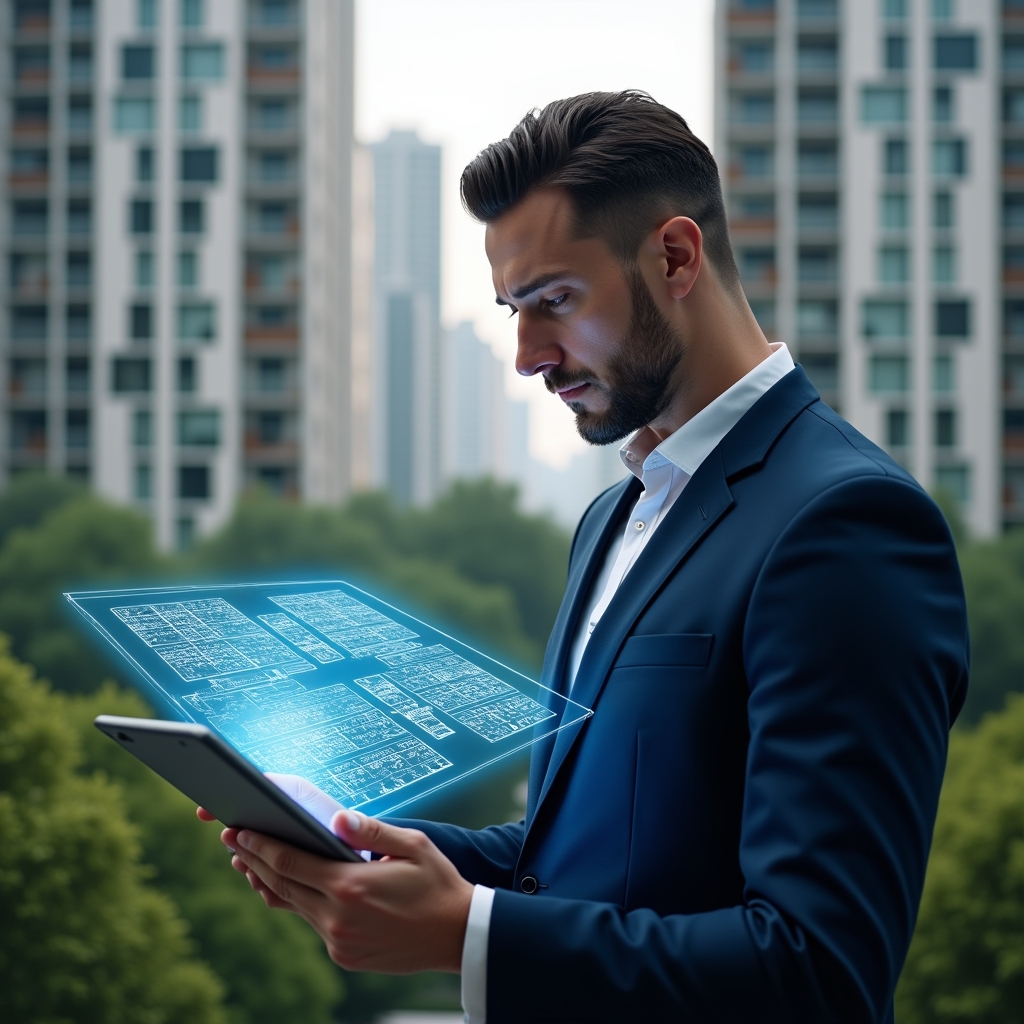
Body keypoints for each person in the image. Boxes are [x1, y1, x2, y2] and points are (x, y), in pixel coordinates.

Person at [205, 91, 969, 1023]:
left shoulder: (847, 525)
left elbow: (820, 971)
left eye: (553, 301)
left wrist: (465, 934)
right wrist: (363, 846)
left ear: (676, 256)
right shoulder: (614, 517)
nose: (526, 355)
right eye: (510, 310)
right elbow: (581, 854)